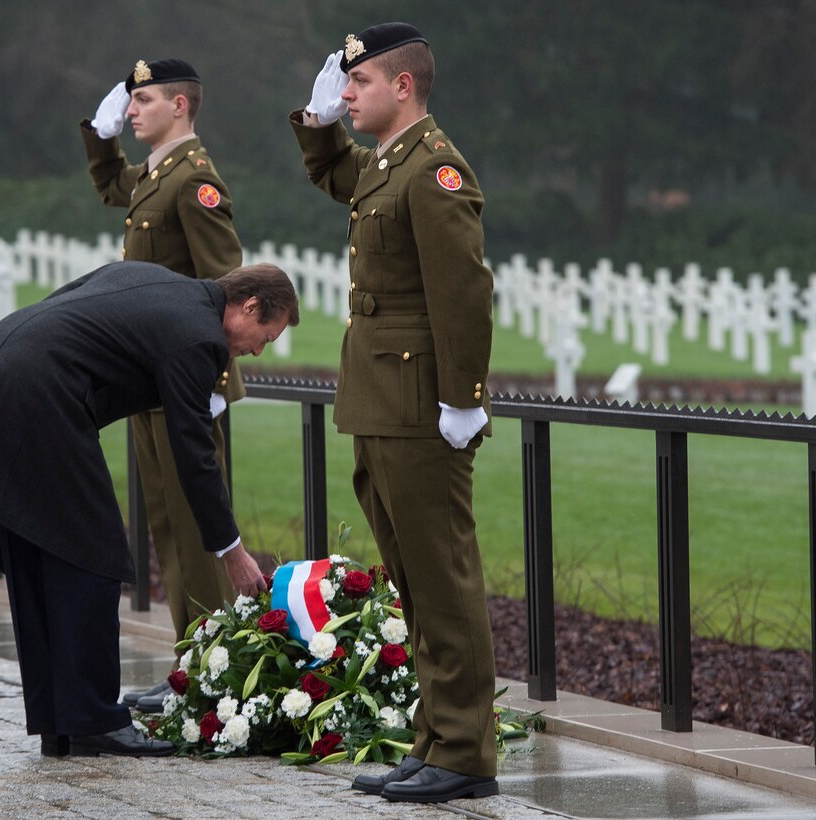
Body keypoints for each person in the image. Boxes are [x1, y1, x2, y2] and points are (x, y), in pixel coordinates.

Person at [0, 262, 298, 758]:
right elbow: (194, 455)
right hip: (43, 393)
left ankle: (62, 721)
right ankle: (94, 720)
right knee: (93, 556)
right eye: (264, 336)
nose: (256, 350)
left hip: (0, 363)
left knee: (42, 555)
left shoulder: (163, 284)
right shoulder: (199, 337)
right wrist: (232, 551)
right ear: (249, 307)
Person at [290, 22, 499, 803]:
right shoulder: (390, 163)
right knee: (412, 581)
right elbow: (345, 179)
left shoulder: (434, 168)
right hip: (381, 398)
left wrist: (461, 399)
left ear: (402, 86)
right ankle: (436, 740)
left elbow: (464, 293)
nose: (345, 95)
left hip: (420, 404)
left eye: (359, 83)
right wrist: (316, 129)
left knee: (442, 579)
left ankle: (467, 755)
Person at [81, 58, 245, 712]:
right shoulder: (155, 175)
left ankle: (213, 674)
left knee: (198, 532)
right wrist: (100, 138)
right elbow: (110, 185)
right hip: (150, 385)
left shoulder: (194, 179)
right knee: (171, 531)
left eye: (143, 100)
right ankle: (193, 664)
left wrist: (214, 378)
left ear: (181, 105)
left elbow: (229, 284)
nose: (132, 111)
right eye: (129, 102)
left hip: (185, 388)